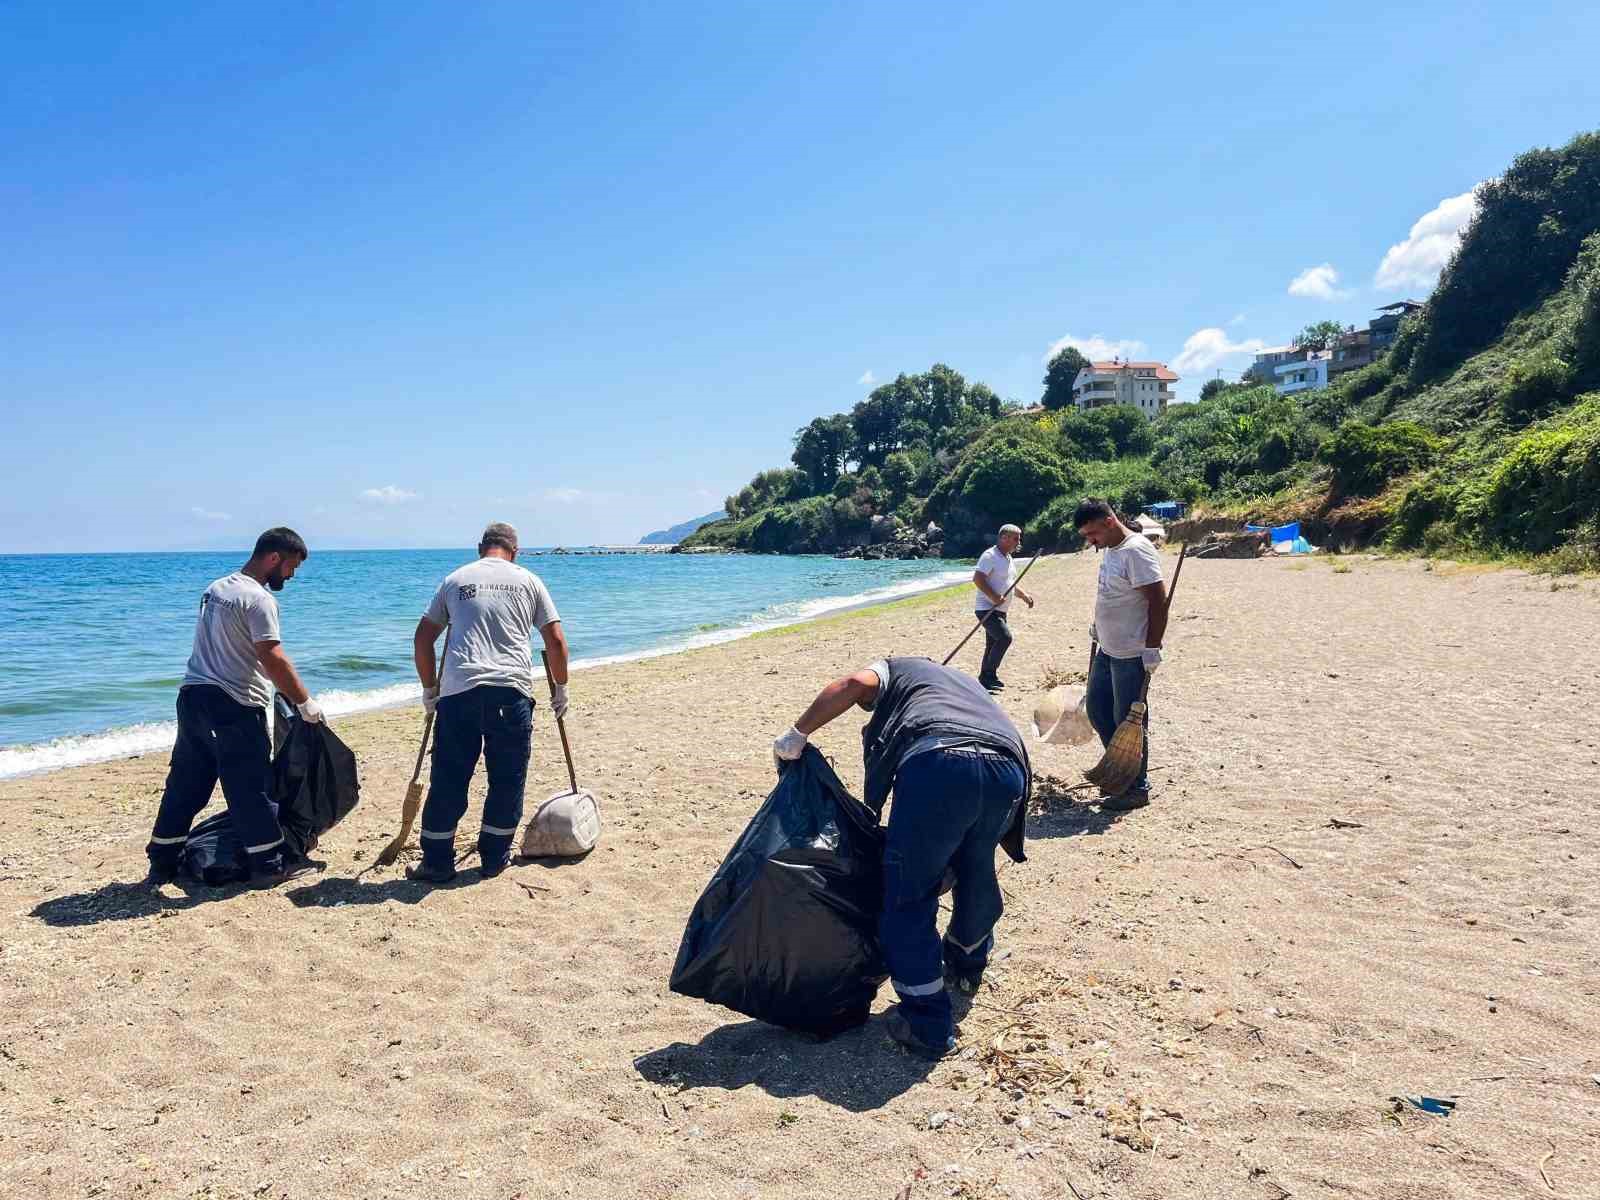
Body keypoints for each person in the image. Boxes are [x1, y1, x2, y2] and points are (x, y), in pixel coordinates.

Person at [772, 657, 1030, 1060]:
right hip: (1008, 768)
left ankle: (927, 1024)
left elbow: (855, 682)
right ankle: (967, 961)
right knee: (974, 868)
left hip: (941, 764)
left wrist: (797, 733)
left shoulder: (891, 669)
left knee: (908, 894)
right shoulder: (958, 683)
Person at [145, 527, 323, 886]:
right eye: (291, 567)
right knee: (251, 786)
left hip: (193, 697)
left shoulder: (215, 589)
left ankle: (162, 862)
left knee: (186, 781)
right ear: (273, 558)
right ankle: (269, 866)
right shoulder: (259, 600)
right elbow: (271, 656)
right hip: (235, 702)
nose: (291, 576)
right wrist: (304, 703)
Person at [409, 522, 569, 883]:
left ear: (480, 546)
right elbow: (555, 641)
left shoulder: (455, 579)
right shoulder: (529, 580)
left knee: (449, 778)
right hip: (510, 692)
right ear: (515, 550)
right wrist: (560, 688)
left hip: (458, 692)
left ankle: (436, 863)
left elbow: (423, 638)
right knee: (507, 779)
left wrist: (429, 688)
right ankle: (494, 858)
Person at [1074, 497, 1168, 811]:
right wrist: (1098, 625)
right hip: (1107, 648)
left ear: (1109, 522)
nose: (1091, 542)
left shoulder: (1137, 550)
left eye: (1092, 534)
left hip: (1130, 653)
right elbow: (1112, 594)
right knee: (1099, 711)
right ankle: (1121, 771)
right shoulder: (1112, 549)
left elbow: (1157, 602)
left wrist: (1152, 647)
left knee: (1128, 719)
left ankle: (1136, 787)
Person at [971, 524, 1034, 692]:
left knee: (992, 644)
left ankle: (987, 678)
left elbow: (1010, 585)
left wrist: (1025, 596)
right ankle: (988, 675)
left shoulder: (1007, 558)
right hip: (986, 608)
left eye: (1018, 539)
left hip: (1000, 610)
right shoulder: (990, 556)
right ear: (1003, 538)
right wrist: (993, 597)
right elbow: (977, 578)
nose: (1018, 542)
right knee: (1005, 638)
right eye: (1015, 539)